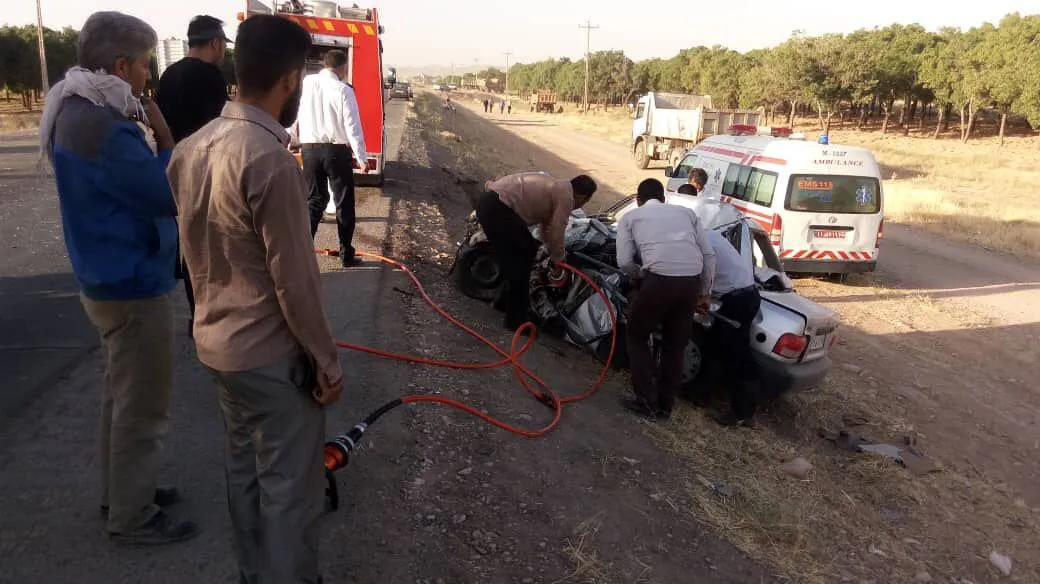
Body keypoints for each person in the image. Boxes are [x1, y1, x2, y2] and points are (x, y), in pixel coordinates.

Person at [167, 14, 342, 583]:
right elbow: (295, 281)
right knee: (290, 488)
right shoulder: (268, 159)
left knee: (242, 474)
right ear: (291, 80)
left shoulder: (190, 149)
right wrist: (326, 360)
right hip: (269, 357)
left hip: (216, 348)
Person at [40, 10, 198, 544]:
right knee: (142, 407)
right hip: (130, 281)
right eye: (145, 64)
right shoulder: (103, 125)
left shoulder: (78, 108)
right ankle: (133, 517)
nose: (148, 75)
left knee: (120, 395)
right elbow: (164, 192)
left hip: (108, 275)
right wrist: (167, 139)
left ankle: (125, 492)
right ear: (122, 64)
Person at [616, 178, 716, 420]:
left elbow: (624, 262)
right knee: (675, 346)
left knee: (637, 336)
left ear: (638, 201)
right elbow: (708, 254)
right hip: (690, 283)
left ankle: (646, 400)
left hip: (659, 281)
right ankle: (664, 407)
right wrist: (705, 293)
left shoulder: (630, 218)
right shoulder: (686, 213)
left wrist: (641, 275)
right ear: (664, 198)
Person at [156, 14, 231, 336]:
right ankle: (214, 316)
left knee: (190, 243)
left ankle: (196, 315)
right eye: (223, 45)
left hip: (176, 166)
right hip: (206, 169)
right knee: (215, 245)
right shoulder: (209, 75)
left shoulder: (169, 74)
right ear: (215, 43)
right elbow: (219, 127)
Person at [477, 172, 597, 329]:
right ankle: (515, 320)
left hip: (493, 203)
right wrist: (559, 261)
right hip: (498, 209)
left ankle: (504, 302)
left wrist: (548, 250)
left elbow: (546, 227)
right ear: (584, 197)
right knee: (520, 263)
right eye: (584, 202)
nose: (581, 205)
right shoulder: (566, 196)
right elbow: (557, 230)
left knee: (527, 251)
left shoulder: (557, 187)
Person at [296, 49, 369, 268]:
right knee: (343, 202)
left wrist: (288, 138)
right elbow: (352, 125)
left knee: (314, 201)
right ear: (342, 67)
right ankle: (346, 254)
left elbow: (295, 113)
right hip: (336, 151)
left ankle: (300, 253)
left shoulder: (306, 84)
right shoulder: (343, 89)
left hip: (309, 149)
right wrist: (361, 157)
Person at [696, 229, 762, 426]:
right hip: (747, 295)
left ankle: (742, 413)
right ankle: (700, 394)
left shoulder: (700, 244)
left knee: (736, 356)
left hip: (737, 300)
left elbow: (701, 274)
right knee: (716, 347)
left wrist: (700, 297)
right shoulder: (711, 235)